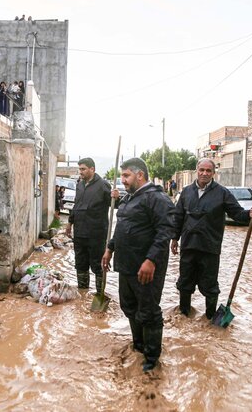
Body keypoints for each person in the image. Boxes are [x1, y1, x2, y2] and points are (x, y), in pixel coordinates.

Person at [102, 158, 174, 372]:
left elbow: (165, 232)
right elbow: (121, 227)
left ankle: (151, 360)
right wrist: (109, 248)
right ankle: (139, 345)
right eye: (122, 176)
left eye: (126, 176)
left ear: (140, 175)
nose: (122, 180)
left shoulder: (157, 198)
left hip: (146, 269)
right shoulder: (129, 199)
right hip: (126, 265)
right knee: (129, 306)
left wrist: (151, 260)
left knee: (149, 312)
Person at [171, 158, 252, 319]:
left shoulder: (222, 193)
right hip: (188, 246)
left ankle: (211, 318)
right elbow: (178, 217)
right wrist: (174, 238)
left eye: (208, 171)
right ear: (197, 171)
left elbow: (237, 213)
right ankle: (183, 316)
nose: (204, 173)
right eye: (202, 170)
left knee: (210, 286)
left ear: (213, 173)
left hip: (210, 248)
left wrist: (249, 214)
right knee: (185, 284)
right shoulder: (186, 192)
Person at [65, 158, 111, 294]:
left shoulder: (103, 185)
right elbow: (76, 205)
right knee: (80, 263)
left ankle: (100, 293)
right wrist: (69, 223)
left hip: (96, 233)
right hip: (79, 232)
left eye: (83, 169)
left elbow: (117, 205)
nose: (80, 172)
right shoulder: (79, 185)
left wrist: (116, 197)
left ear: (92, 169)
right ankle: (83, 294)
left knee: (98, 264)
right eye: (79, 169)